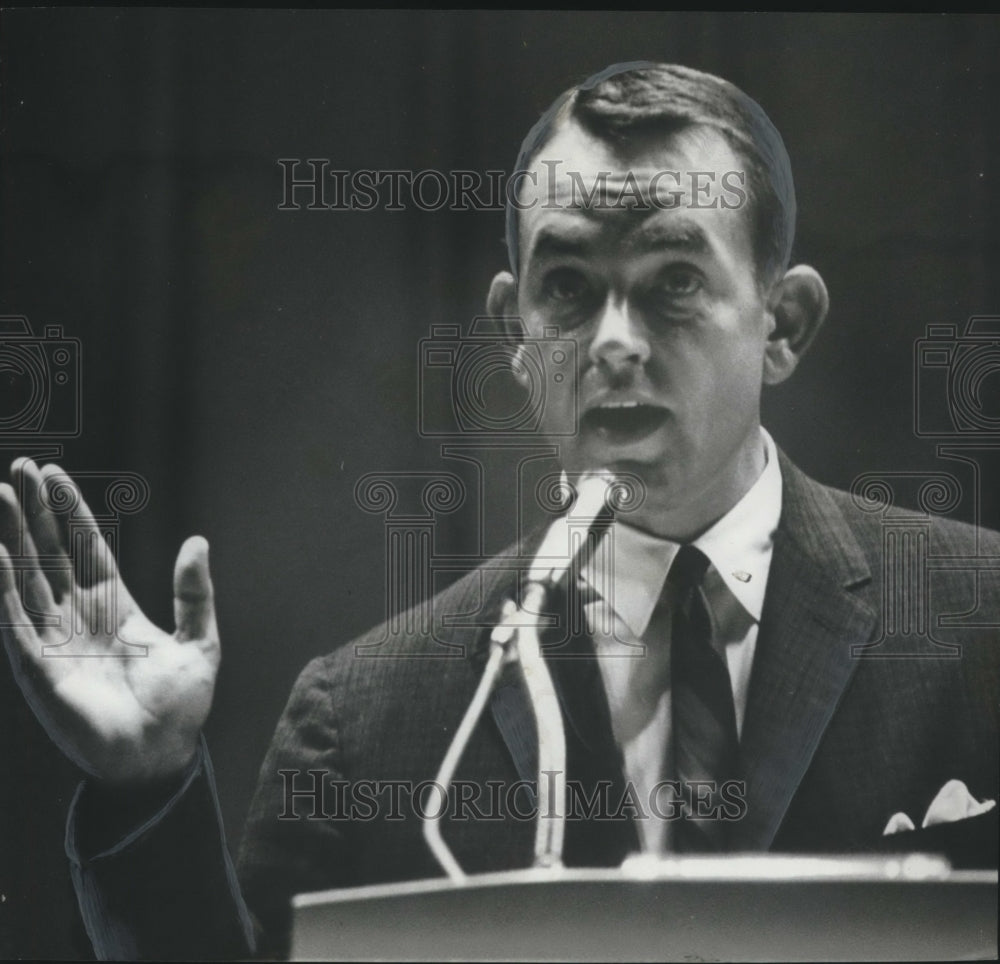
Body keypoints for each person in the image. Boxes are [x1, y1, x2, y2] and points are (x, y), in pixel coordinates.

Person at [1, 62, 997, 961]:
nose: (613, 342)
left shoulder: (980, 622)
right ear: (514, 333)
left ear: (781, 325)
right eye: (567, 288)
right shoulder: (363, 719)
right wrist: (148, 784)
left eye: (675, 282)